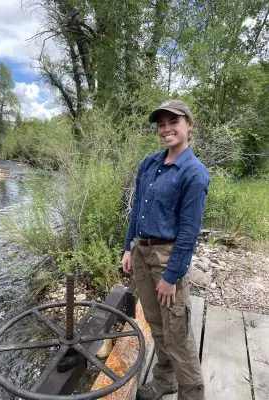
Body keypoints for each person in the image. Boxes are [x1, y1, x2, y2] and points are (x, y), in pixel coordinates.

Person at [121, 99, 209, 400]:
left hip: (167, 258)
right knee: (157, 325)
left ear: (189, 125)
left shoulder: (194, 173)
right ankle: (165, 379)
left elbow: (188, 233)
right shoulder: (149, 163)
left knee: (178, 333)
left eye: (173, 121)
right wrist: (128, 247)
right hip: (142, 253)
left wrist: (171, 276)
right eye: (161, 123)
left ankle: (192, 395)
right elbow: (136, 210)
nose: (166, 128)